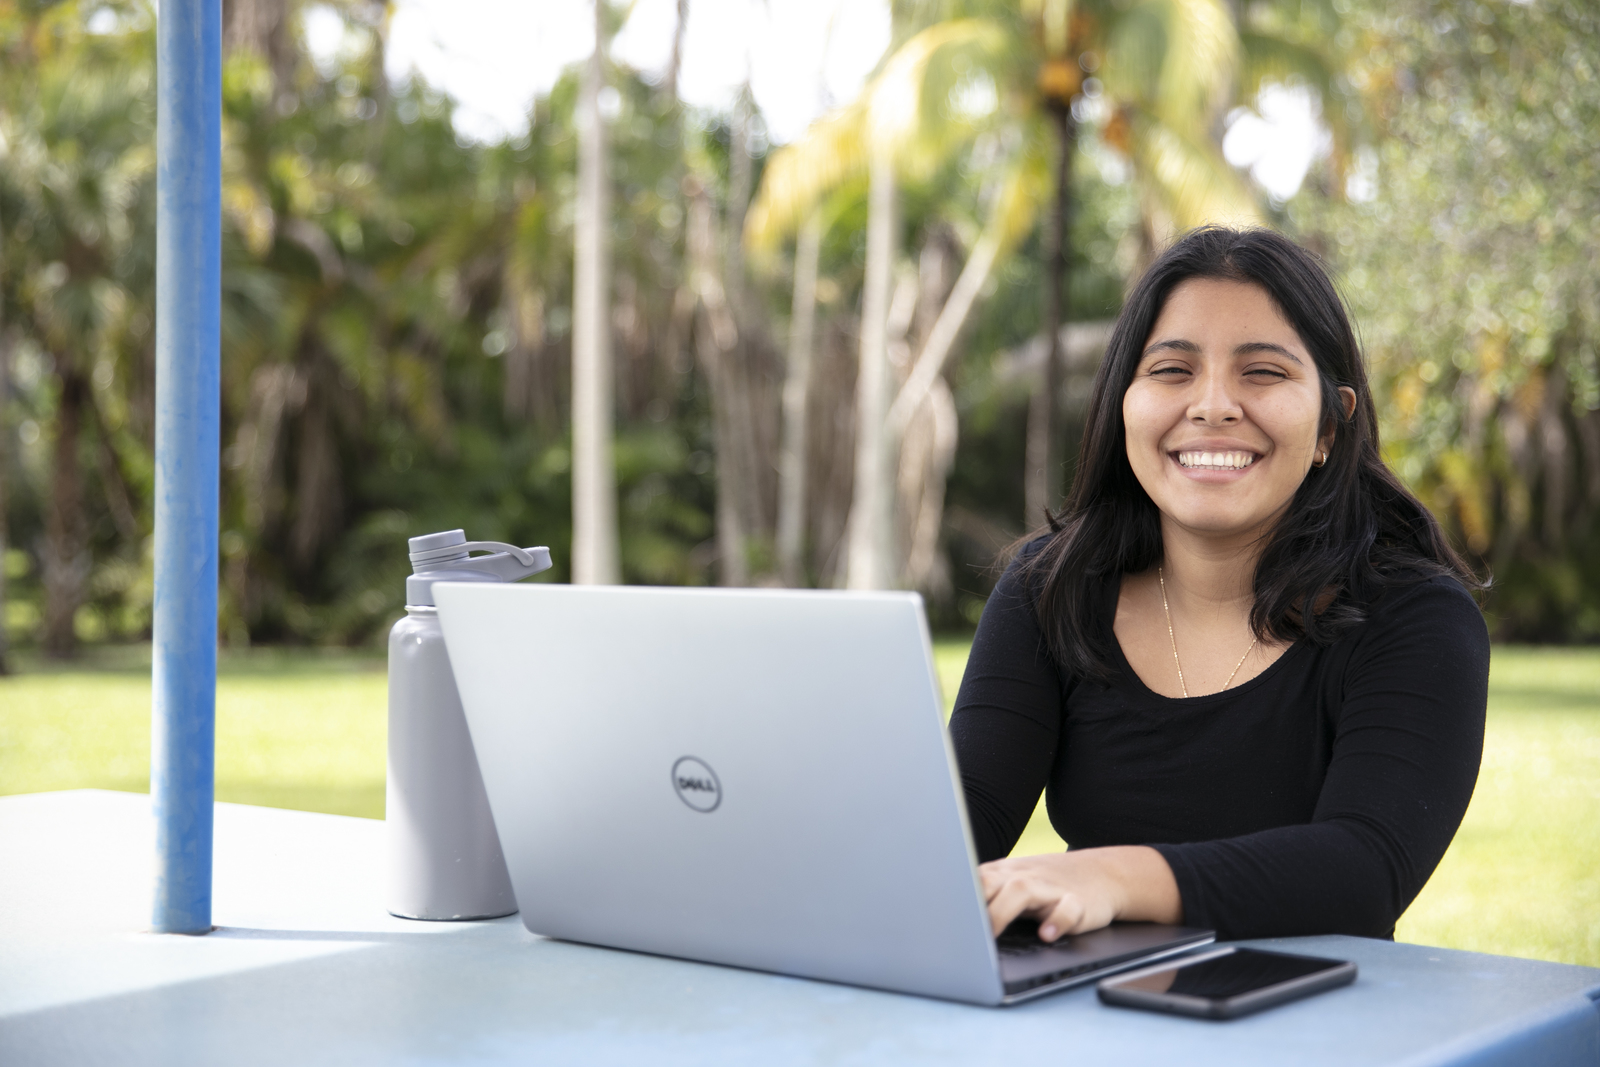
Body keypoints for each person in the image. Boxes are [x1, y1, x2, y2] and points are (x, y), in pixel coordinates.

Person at [951, 226, 1489, 945]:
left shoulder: (1416, 618)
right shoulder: (1051, 588)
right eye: (1172, 369)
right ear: (1124, 403)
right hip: (1087, 1020)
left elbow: (1363, 868)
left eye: (1262, 372)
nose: (1212, 405)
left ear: (1333, 423)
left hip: (1319, 1031)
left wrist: (1110, 878)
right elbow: (960, 824)